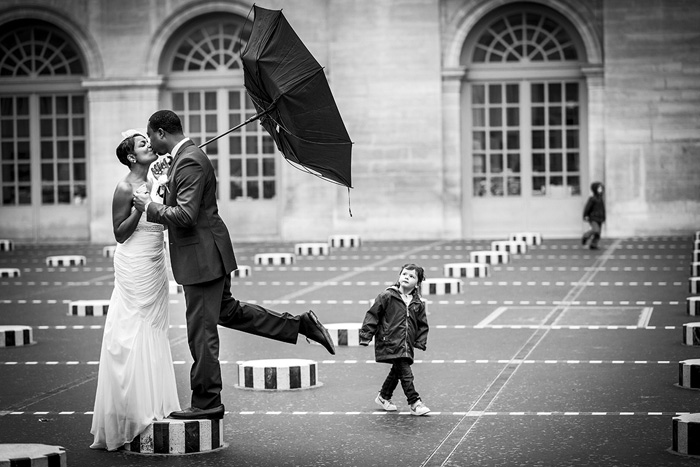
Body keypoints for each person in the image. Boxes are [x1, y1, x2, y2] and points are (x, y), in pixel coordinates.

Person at [133, 110, 335, 421]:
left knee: (201, 333)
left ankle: (207, 401)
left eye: (151, 138)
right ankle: (300, 324)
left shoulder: (189, 160)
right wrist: (167, 177)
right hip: (206, 254)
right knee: (229, 312)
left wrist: (149, 207)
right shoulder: (185, 158)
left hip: (201, 258)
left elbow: (185, 216)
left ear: (161, 133)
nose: (151, 144)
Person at [90, 130, 180, 450]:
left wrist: (165, 186)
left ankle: (154, 404)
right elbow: (119, 234)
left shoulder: (158, 182)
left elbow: (170, 218)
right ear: (131, 156)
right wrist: (140, 208)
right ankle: (133, 411)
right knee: (132, 331)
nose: (149, 145)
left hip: (156, 264)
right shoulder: (125, 187)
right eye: (143, 144)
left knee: (155, 330)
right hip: (133, 264)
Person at [359, 263, 431, 416]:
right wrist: (366, 335)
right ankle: (415, 402)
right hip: (389, 340)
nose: (407, 277)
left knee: (397, 371)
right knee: (405, 373)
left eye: (412, 276)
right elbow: (373, 315)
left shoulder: (417, 303)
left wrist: (420, 341)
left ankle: (384, 396)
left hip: (406, 343)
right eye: (404, 274)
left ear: (417, 283)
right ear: (399, 276)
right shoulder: (387, 296)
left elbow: (422, 324)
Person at [582, 181, 606, 250]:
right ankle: (586, 236)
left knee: (598, 233)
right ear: (595, 189)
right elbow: (587, 207)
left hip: (600, 218)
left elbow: (603, 209)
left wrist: (604, 217)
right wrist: (585, 215)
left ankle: (594, 244)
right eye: (599, 188)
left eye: (601, 188)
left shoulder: (601, 199)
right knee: (596, 230)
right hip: (593, 217)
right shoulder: (592, 199)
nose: (600, 190)